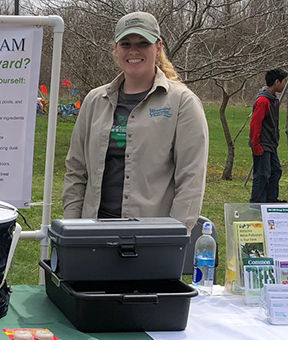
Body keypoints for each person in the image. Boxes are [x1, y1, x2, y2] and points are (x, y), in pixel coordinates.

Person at [62, 11, 208, 231]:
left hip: (151, 238)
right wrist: (73, 229)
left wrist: (173, 238)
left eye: (143, 43)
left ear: (158, 48)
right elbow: (76, 170)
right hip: (93, 233)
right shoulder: (94, 101)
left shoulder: (182, 103)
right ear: (116, 49)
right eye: (126, 43)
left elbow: (191, 180)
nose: (134, 51)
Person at [249, 69, 288, 203]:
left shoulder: (274, 100)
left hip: (271, 144)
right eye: (283, 81)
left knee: (276, 170)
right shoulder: (263, 101)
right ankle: (256, 203)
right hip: (262, 143)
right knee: (262, 174)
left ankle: (271, 199)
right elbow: (255, 124)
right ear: (276, 82)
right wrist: (256, 144)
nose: (284, 85)